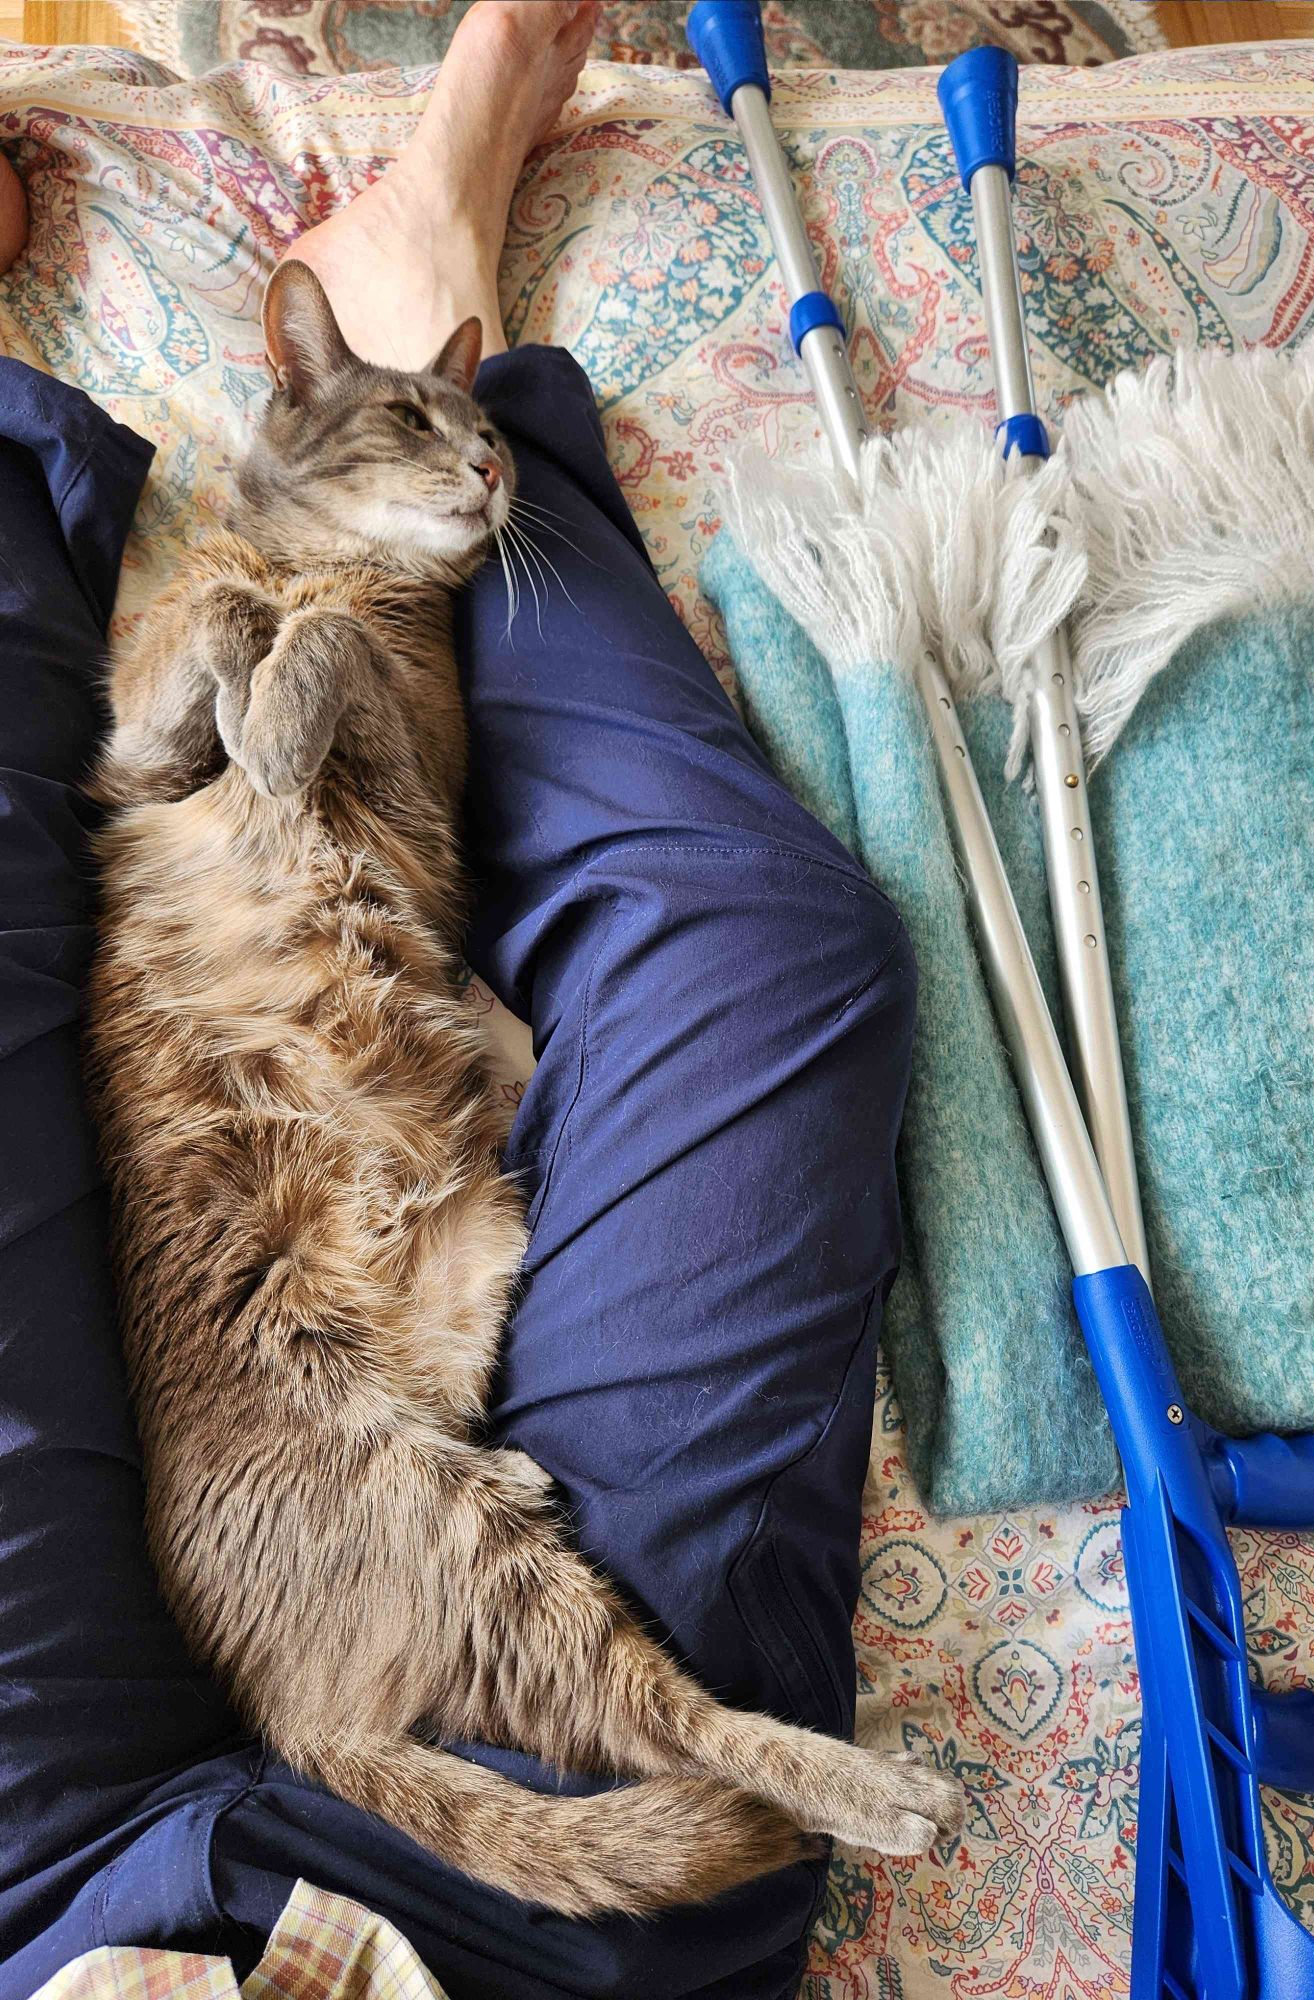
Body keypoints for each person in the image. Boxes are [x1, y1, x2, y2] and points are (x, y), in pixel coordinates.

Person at [0, 6, 919, 1995]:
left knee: (106, 818)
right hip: (549, 1928)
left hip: (38, 1904)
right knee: (783, 961)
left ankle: (390, 376)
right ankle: (437, 349)